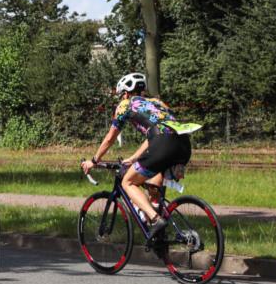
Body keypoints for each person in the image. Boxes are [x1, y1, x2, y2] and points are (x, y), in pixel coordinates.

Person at [81, 72, 197, 235]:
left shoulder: (125, 104)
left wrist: (93, 160)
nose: (122, 98)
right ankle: (159, 232)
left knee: (127, 182)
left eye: (122, 95)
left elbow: (110, 138)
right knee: (152, 182)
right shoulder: (157, 102)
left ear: (126, 93)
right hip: (183, 143)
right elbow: (156, 134)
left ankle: (156, 220)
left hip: (163, 144)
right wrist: (133, 158)